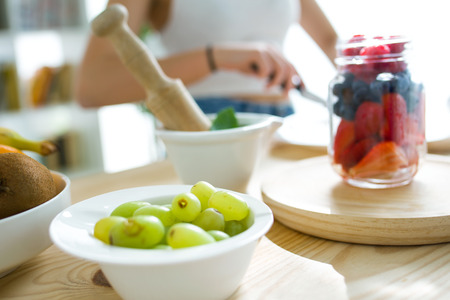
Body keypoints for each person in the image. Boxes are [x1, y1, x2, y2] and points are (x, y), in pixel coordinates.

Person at [75, 0, 337, 117]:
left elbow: (330, 41)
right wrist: (216, 57)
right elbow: (92, 88)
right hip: (203, 129)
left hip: (282, 124)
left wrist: (368, 80)